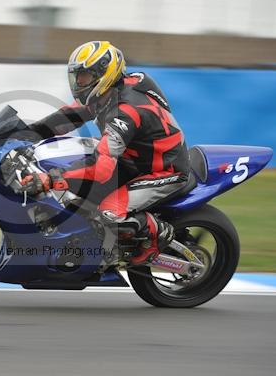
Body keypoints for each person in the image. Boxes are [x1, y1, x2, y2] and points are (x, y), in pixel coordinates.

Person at [20, 40, 189, 265]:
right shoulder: (108, 93)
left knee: (108, 212)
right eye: (77, 76)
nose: (79, 83)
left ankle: (156, 236)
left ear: (104, 74)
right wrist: (23, 134)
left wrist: (52, 179)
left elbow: (101, 169)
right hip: (134, 159)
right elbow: (67, 117)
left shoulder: (125, 113)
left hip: (162, 170)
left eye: (85, 76)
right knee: (78, 175)